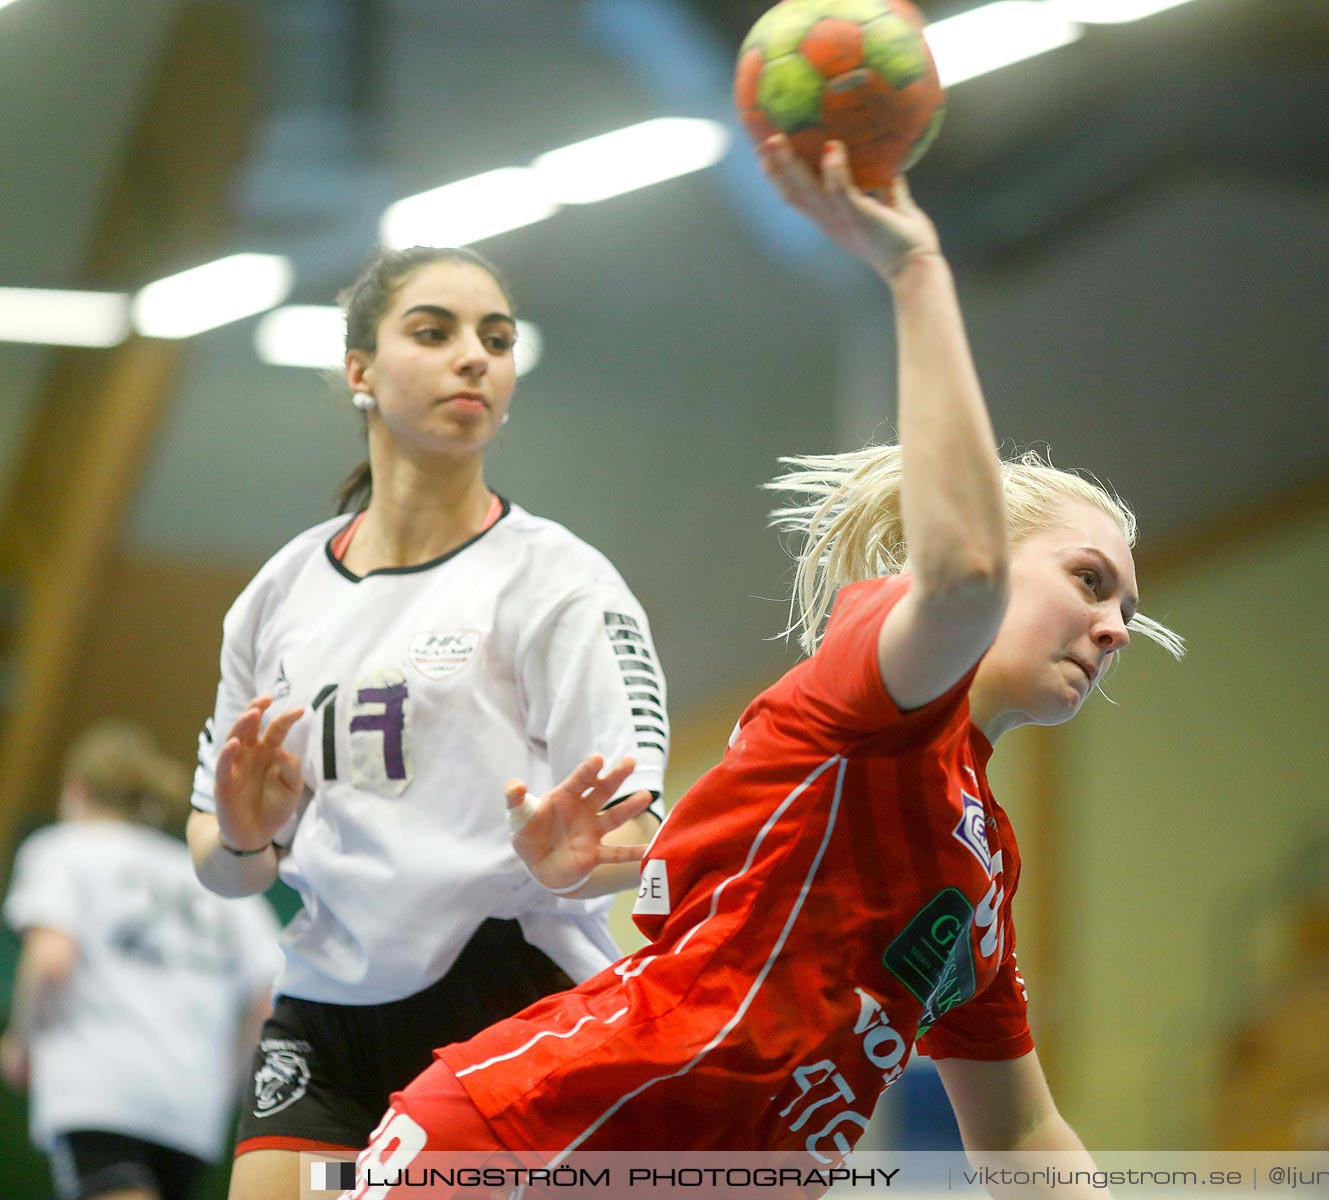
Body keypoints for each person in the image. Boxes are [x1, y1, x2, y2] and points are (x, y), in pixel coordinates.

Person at [340, 135, 1185, 1193]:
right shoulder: (874, 691)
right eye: (1091, 580)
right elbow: (961, 573)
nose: (1114, 626)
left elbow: (1021, 1139)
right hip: (519, 1145)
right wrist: (917, 271)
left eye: (1130, 610)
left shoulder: (982, 872)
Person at [184, 245, 669, 1198]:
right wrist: (244, 838)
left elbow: (648, 839)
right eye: (433, 331)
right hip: (327, 1009)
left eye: (496, 337)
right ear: (359, 370)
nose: (474, 357)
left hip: (505, 1001)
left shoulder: (561, 583)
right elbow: (217, 859)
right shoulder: (277, 596)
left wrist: (578, 859)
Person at [3, 721, 281, 1200]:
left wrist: (20, 1041)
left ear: (76, 790)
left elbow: (51, 960)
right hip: (192, 1105)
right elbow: (267, 1001)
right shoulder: (211, 877)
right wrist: (232, 1085)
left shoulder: (63, 850)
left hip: (99, 1088)